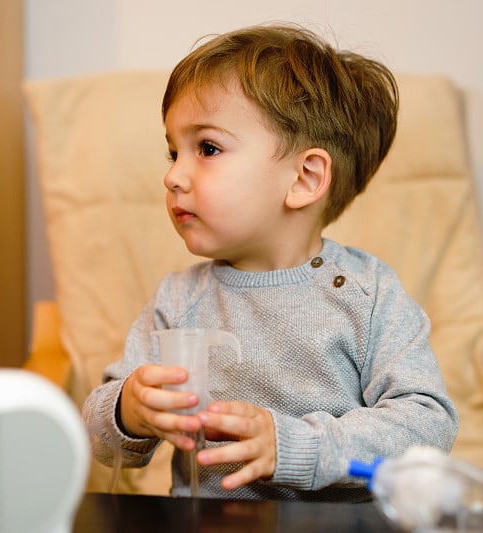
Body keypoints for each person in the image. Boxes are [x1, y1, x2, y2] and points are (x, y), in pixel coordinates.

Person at [82, 23, 458, 501]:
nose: (173, 176)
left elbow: (429, 423)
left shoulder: (368, 295)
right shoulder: (179, 298)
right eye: (174, 152)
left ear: (304, 178)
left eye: (208, 148)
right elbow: (100, 438)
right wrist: (126, 412)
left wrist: (300, 447)